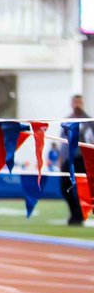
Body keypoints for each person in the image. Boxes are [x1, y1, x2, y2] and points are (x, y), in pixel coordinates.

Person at [60, 94, 93, 226]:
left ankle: (78, 215)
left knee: (83, 189)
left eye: (79, 102)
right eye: (75, 102)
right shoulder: (66, 120)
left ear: (82, 103)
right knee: (64, 188)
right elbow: (62, 142)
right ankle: (75, 212)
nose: (77, 104)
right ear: (71, 104)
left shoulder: (89, 121)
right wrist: (61, 160)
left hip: (83, 158)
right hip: (68, 159)